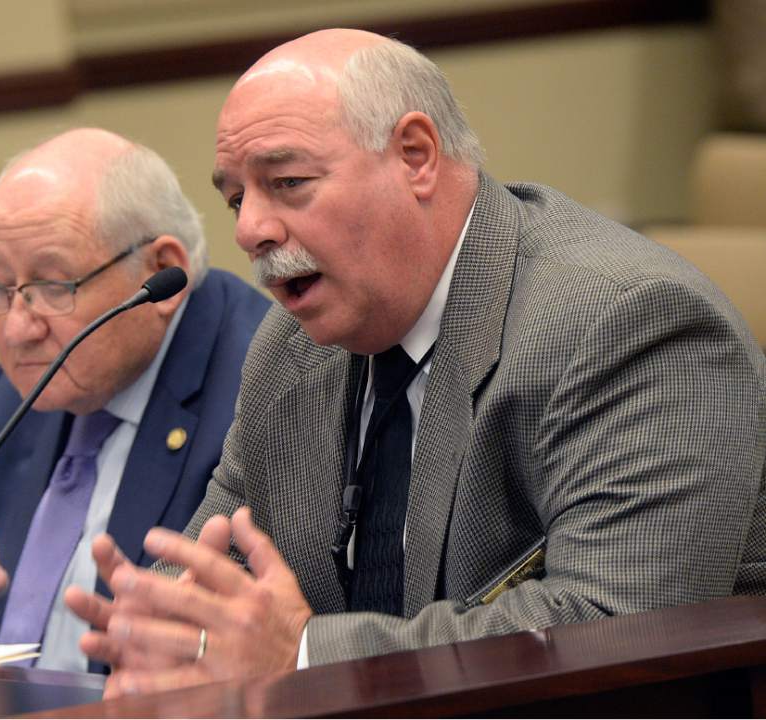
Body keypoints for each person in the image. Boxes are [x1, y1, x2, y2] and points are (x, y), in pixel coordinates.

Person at [66, 29, 766, 696]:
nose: (250, 229)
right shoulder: (291, 347)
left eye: (287, 183)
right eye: (237, 198)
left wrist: (303, 655)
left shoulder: (625, 325)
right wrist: (161, 634)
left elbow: (613, 629)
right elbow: (218, 576)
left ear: (416, 156)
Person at [0, 128, 270, 672]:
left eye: (53, 286)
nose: (18, 328)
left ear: (161, 270)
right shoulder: (25, 386)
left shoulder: (259, 382)